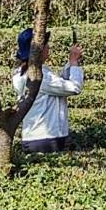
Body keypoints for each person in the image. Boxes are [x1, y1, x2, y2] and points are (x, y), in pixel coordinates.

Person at [11, 26, 84, 154]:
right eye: (45, 44)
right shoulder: (39, 76)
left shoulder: (23, 73)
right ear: (37, 50)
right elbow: (74, 87)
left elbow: (59, 84)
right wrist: (73, 63)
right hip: (47, 139)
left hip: (36, 138)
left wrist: (72, 63)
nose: (48, 47)